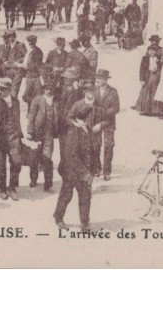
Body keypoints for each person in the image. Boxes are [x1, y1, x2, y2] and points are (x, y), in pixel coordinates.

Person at [53, 89, 100, 231]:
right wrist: (84, 173)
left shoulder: (89, 131)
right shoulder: (73, 133)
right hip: (71, 170)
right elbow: (71, 155)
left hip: (85, 170)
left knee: (85, 196)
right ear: (80, 119)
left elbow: (94, 152)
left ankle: (84, 222)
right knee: (66, 194)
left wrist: (93, 171)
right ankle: (58, 217)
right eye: (86, 118)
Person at [0, 77, 24, 201]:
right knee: (1, 164)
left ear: (9, 89)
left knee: (17, 162)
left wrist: (20, 135)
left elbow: (17, 119)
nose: (0, 91)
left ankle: (12, 187)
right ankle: (2, 189)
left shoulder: (16, 102)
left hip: (13, 137)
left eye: (3, 89)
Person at [27, 81, 59, 191]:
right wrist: (30, 131)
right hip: (37, 134)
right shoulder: (37, 100)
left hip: (49, 134)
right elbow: (31, 116)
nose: (49, 91)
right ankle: (33, 179)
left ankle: (48, 182)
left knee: (47, 158)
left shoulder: (56, 101)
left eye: (51, 88)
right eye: (47, 88)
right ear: (43, 89)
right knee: (34, 158)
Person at [93, 69, 120, 180]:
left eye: (100, 78)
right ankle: (97, 168)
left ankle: (107, 171)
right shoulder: (93, 90)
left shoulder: (113, 92)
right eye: (97, 78)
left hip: (109, 122)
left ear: (105, 79)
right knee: (95, 146)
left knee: (109, 146)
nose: (97, 80)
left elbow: (116, 108)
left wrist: (103, 112)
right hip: (95, 122)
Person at [0, 29, 27, 100]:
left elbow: (26, 57)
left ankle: (14, 102)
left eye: (12, 37)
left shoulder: (21, 45)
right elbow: (3, 56)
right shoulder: (7, 46)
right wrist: (5, 61)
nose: (10, 39)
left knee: (15, 88)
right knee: (7, 87)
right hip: (9, 70)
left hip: (18, 70)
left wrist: (18, 62)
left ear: (15, 37)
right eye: (9, 37)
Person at [135, 45, 162, 116]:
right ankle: (145, 110)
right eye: (151, 51)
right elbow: (141, 69)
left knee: (154, 92)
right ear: (148, 51)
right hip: (147, 76)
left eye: (154, 51)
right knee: (146, 92)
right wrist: (142, 79)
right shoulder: (145, 59)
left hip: (156, 77)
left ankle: (155, 110)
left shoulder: (159, 59)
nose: (152, 52)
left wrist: (158, 67)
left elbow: (162, 69)